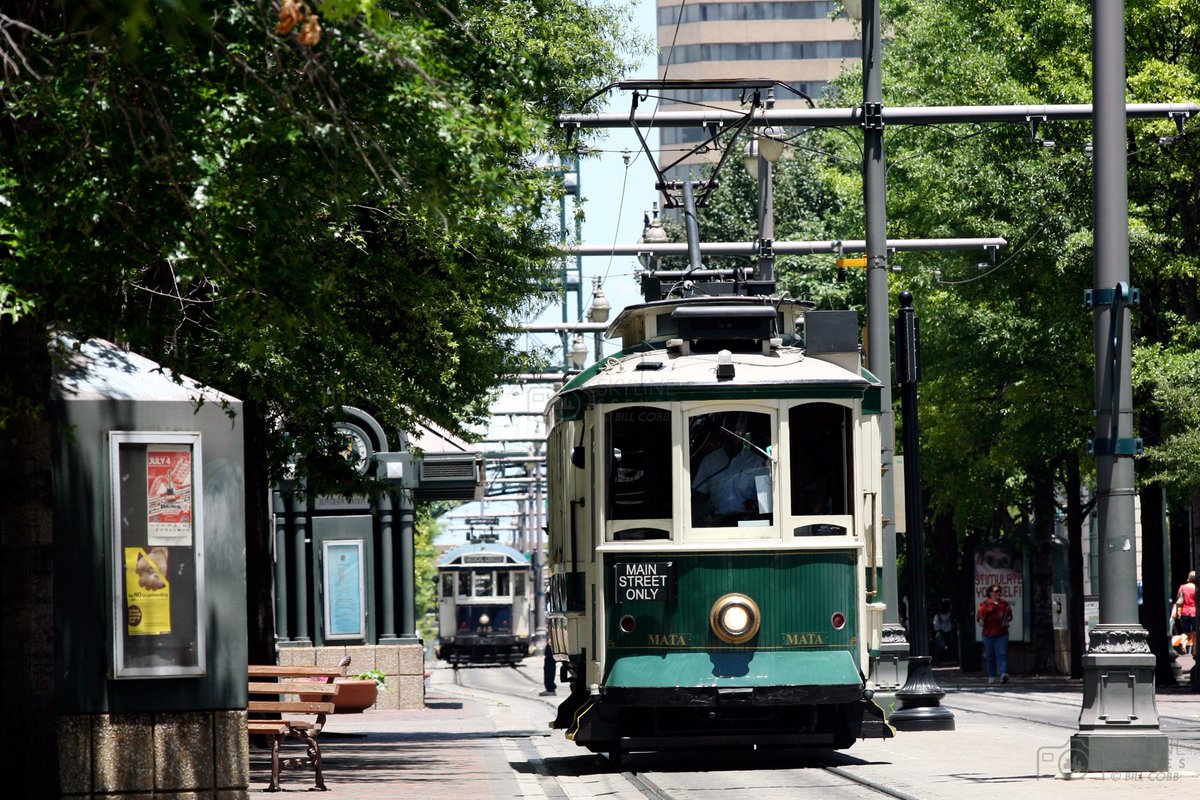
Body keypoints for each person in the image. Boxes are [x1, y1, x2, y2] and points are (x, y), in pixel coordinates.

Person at [691, 417, 767, 525]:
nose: (734, 434)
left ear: (745, 432)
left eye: (738, 431)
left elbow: (766, 503)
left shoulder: (756, 461)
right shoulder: (710, 460)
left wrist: (755, 505)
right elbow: (699, 495)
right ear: (722, 432)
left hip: (748, 522)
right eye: (729, 430)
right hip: (716, 522)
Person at [976, 584, 1013, 684]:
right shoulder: (984, 605)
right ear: (990, 593)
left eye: (999, 591)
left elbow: (1009, 616)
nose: (998, 593)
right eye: (996, 591)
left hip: (1002, 633)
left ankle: (1003, 674)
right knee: (990, 655)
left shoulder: (1004, 604)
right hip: (988, 633)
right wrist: (981, 621)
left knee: (1002, 653)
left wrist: (1007, 620)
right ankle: (991, 676)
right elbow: (980, 617)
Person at [1175, 571, 1196, 655]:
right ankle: (1195, 652)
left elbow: (1179, 601)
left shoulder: (1182, 587)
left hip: (1185, 612)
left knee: (1185, 632)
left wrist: (1177, 612)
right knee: (1195, 633)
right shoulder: (1197, 588)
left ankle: (1183, 645)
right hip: (1195, 612)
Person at [932, 599, 955, 663]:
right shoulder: (937, 616)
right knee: (938, 636)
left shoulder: (950, 615)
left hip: (949, 633)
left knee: (953, 639)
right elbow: (937, 628)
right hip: (942, 634)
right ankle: (942, 655)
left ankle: (952, 657)